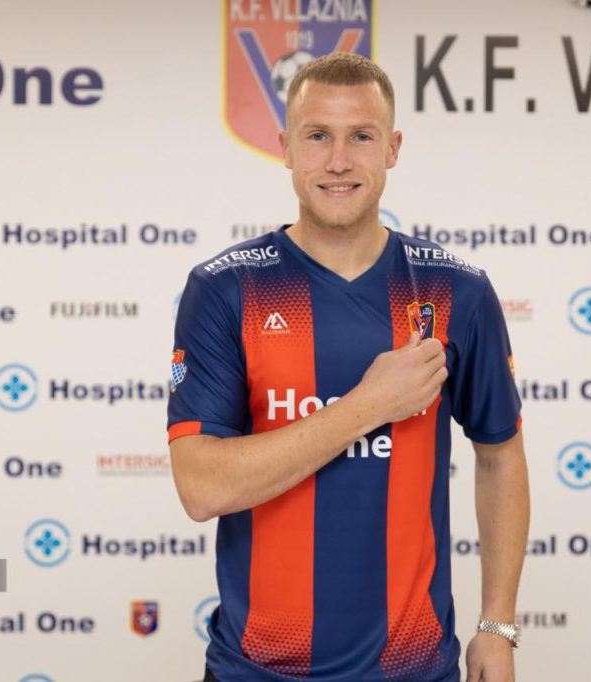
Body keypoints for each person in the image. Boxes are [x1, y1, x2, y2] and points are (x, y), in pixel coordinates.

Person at [168, 53, 529, 682]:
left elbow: (500, 456)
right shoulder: (226, 288)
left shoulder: (455, 290)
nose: (338, 161)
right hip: (254, 670)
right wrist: (368, 406)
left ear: (392, 149)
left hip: (414, 669)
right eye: (317, 136)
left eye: (361, 136)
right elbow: (202, 488)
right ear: (285, 148)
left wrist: (497, 626)